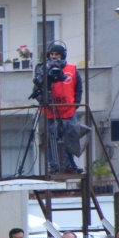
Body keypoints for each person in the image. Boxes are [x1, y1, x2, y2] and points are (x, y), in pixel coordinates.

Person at [31, 42, 78, 174]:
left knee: (71, 138)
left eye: (57, 54)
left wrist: (76, 104)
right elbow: (37, 90)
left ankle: (70, 164)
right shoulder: (42, 69)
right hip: (50, 111)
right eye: (52, 54)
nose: (54, 56)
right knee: (52, 138)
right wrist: (43, 101)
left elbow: (78, 88)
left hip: (68, 111)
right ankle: (52, 165)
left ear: (62, 55)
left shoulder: (72, 69)